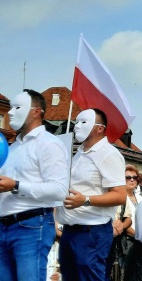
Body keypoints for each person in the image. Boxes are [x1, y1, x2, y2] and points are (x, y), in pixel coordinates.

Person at [0, 90, 69, 281]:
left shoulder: (49, 144)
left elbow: (59, 190)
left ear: (36, 111)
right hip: (4, 225)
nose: (11, 113)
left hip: (31, 225)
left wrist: (15, 185)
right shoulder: (12, 147)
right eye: (10, 108)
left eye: (17, 107)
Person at [56, 108, 126, 281]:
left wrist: (85, 200)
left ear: (100, 128)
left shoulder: (109, 154)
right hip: (70, 231)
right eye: (76, 122)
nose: (77, 126)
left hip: (92, 232)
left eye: (83, 122)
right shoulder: (77, 153)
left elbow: (119, 196)